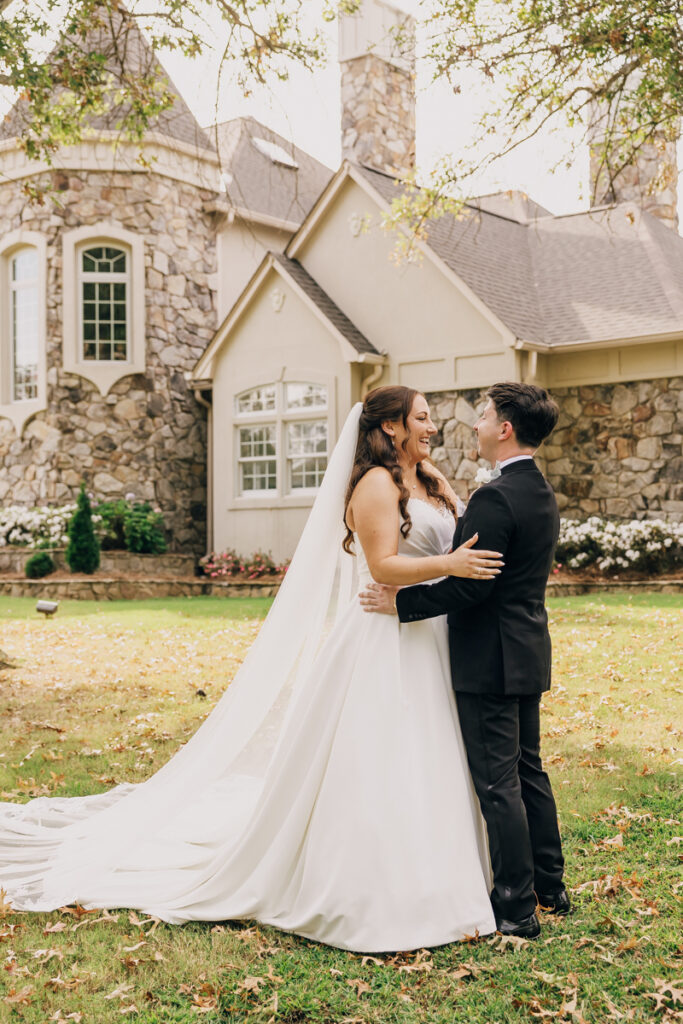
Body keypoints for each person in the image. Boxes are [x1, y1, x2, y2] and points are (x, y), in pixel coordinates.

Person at [0, 386, 503, 953]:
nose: (433, 426)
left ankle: (448, 872)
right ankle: (379, 888)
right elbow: (382, 564)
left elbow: (460, 535)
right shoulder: (374, 484)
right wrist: (451, 564)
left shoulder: (430, 477)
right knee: (388, 754)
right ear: (390, 427)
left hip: (431, 630)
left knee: (436, 753)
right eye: (422, 418)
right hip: (385, 637)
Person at [360, 382, 569, 939]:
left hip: (488, 658)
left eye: (482, 416)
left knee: (499, 784)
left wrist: (403, 604)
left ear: (504, 428)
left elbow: (472, 584)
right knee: (529, 773)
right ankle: (552, 886)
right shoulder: (538, 490)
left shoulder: (496, 497)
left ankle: (516, 907)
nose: (469, 425)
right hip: (526, 650)